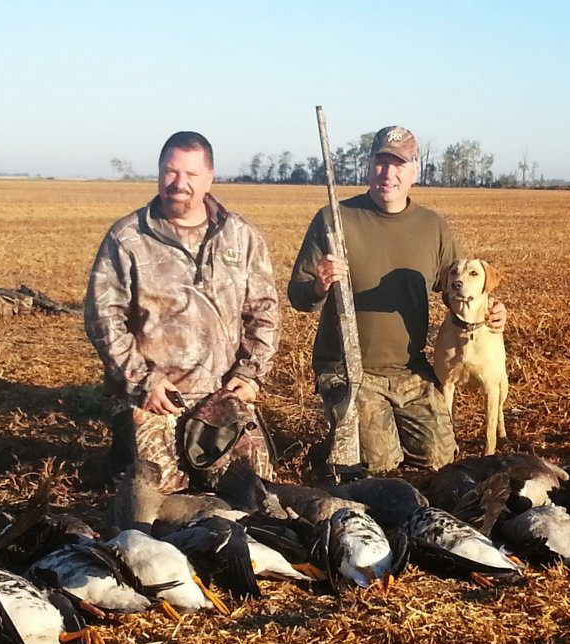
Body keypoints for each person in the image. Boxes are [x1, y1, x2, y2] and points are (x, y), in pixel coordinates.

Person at [288, 125, 506, 474]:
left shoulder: (432, 227)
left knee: (440, 461)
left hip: (410, 370)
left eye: (399, 164)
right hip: (350, 370)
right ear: (368, 165)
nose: (388, 173)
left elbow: (459, 290)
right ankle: (332, 450)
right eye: (380, 162)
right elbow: (298, 295)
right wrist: (321, 286)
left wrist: (492, 312)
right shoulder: (333, 219)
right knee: (380, 464)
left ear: (414, 171)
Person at [85, 131, 279, 484]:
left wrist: (249, 376)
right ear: (159, 173)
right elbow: (103, 317)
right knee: (157, 491)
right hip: (152, 396)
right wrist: (144, 381)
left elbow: (263, 311)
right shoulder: (128, 237)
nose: (179, 183)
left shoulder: (240, 236)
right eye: (171, 172)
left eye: (191, 175)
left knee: (253, 485)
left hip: (222, 394)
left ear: (209, 178)